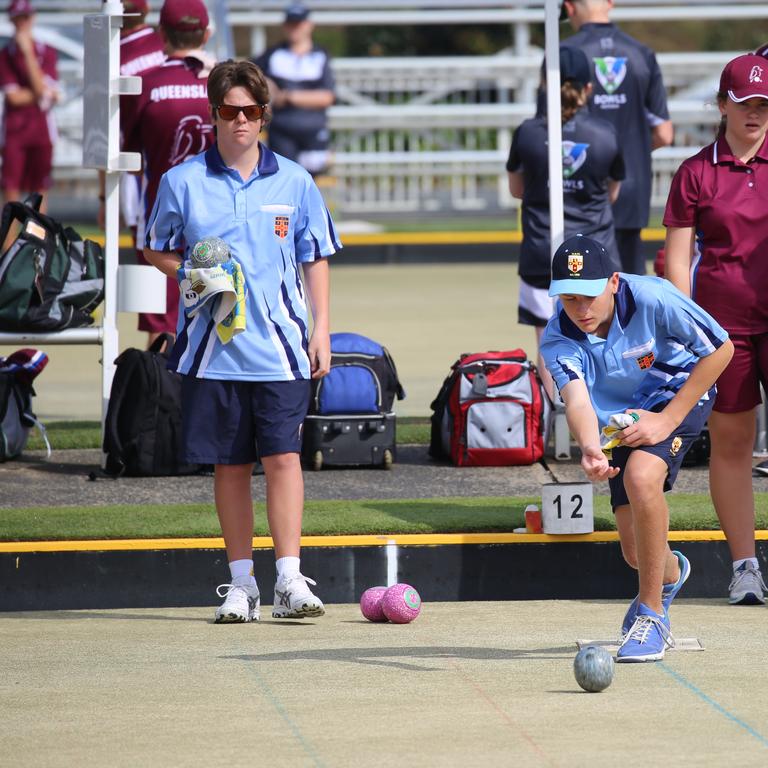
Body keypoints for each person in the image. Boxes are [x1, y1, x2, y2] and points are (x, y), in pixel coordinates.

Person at [143, 59, 341, 624]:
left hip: (281, 349)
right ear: (213, 115)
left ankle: (288, 578)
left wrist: (321, 328)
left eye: (251, 112)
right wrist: (191, 275)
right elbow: (157, 246)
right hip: (212, 350)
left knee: (283, 459)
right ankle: (240, 583)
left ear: (264, 117)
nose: (240, 122)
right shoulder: (181, 181)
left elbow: (315, 256)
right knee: (229, 467)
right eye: (230, 111)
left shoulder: (295, 181)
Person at [541, 234, 733, 661]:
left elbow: (721, 349)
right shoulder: (557, 338)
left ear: (612, 281)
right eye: (570, 299)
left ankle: (652, 615)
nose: (581, 309)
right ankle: (668, 574)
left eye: (589, 296)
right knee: (635, 552)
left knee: (642, 475)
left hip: (679, 393)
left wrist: (667, 420)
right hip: (618, 418)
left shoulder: (655, 296)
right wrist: (590, 447)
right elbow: (575, 398)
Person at [663, 54, 768, 605]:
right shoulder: (695, 173)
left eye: (764, 104)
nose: (754, 113)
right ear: (722, 104)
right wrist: (689, 328)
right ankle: (745, 567)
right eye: (743, 102)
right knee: (733, 443)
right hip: (723, 333)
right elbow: (678, 261)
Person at [507, 46, 624, 398]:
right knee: (603, 339)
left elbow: (517, 189)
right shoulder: (605, 133)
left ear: (544, 83)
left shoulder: (527, 133)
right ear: (589, 88)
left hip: (543, 250)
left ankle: (558, 416)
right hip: (596, 251)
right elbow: (612, 193)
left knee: (551, 340)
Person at [121, 0, 216, 348]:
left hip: (159, 221)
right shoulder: (223, 84)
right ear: (205, 34)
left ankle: (159, 398)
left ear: (161, 34)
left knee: (161, 326)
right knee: (220, 314)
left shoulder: (143, 86)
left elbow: (127, 155)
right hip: (218, 217)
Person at [557, 0, 673, 275]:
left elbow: (547, 127)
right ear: (610, 2)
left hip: (578, 192)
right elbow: (664, 134)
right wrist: (625, 158)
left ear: (570, 8)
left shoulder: (563, 52)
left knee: (578, 289)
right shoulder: (642, 52)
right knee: (628, 289)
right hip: (631, 185)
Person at [98, 0, 166, 236]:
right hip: (183, 157)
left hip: (139, 166)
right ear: (145, 9)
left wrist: (104, 196)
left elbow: (103, 130)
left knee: (148, 253)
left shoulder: (108, 54)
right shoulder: (168, 40)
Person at [252, 3, 335, 175]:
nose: (295, 28)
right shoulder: (273, 54)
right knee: (283, 179)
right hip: (281, 131)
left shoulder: (320, 55)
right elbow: (247, 73)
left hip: (312, 131)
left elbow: (327, 97)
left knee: (312, 185)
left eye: (299, 23)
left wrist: (290, 97)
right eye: (291, 24)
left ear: (309, 25)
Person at [0, 0, 59, 216]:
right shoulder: (5, 55)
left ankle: (38, 244)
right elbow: (15, 97)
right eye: (17, 19)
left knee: (39, 190)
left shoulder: (46, 51)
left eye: (25, 18)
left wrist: (28, 54)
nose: (21, 24)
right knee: (11, 189)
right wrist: (39, 92)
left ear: (32, 18)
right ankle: (9, 246)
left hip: (41, 129)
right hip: (15, 130)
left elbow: (47, 92)